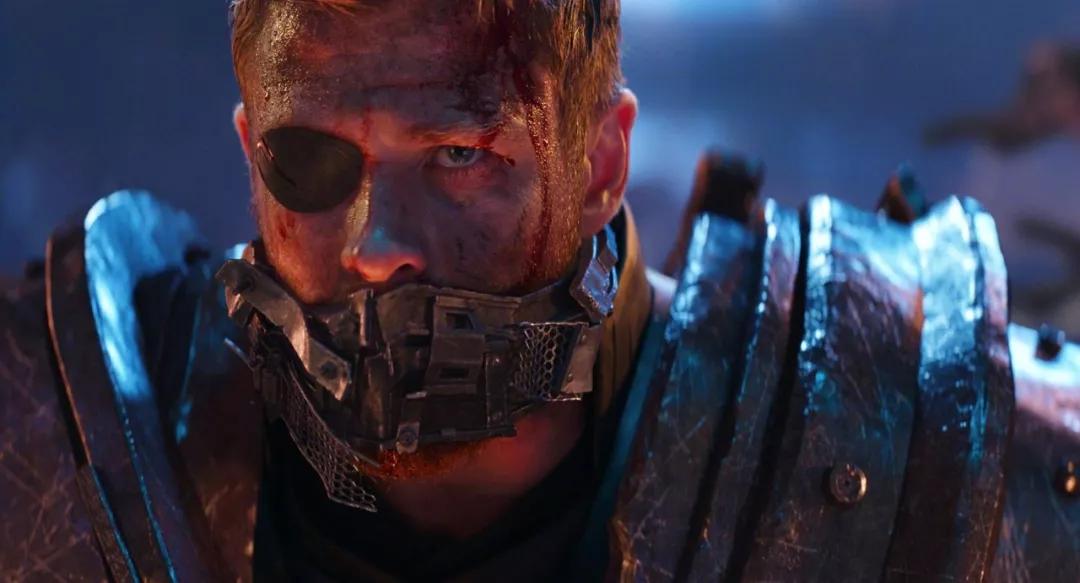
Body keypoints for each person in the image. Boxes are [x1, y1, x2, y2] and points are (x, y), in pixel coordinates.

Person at [2, 1, 1078, 581]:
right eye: (313, 163)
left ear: (602, 162)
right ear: (251, 151)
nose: (376, 249)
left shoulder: (925, 466)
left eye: (459, 156)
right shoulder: (55, 458)